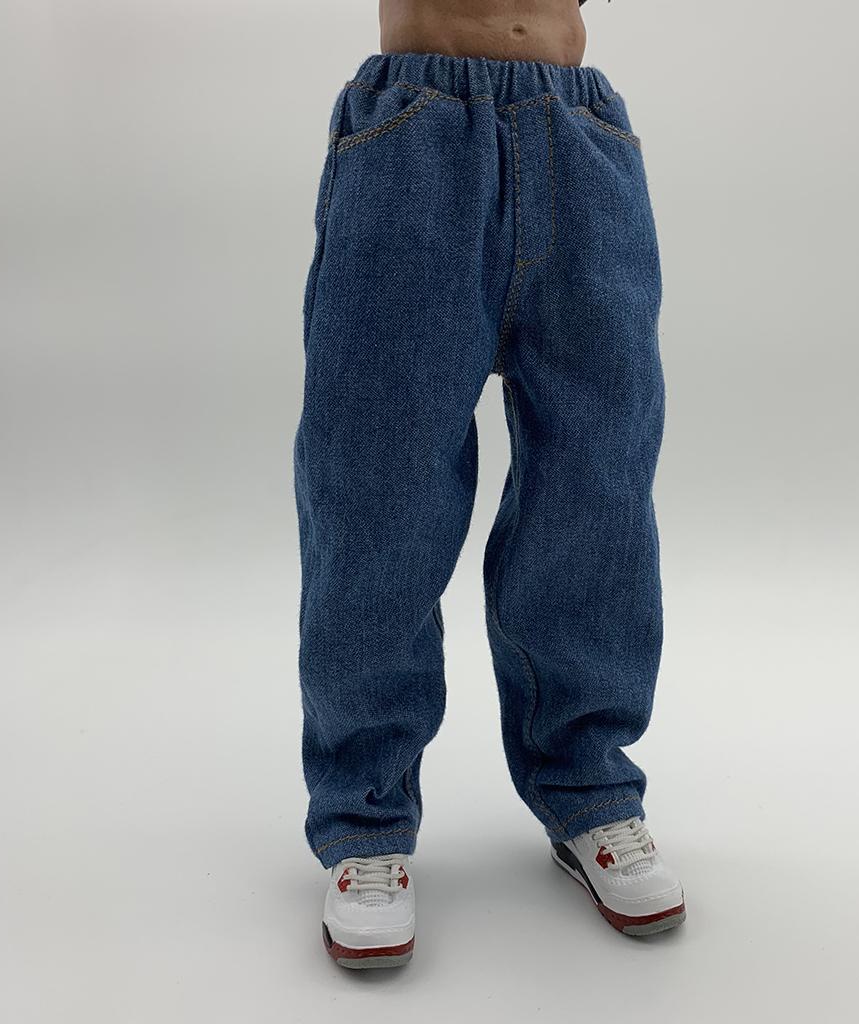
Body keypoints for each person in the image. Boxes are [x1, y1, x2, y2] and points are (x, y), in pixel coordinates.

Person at [294, 0, 685, 969]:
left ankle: (588, 785)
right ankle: (365, 816)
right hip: (416, 132)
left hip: (581, 131)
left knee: (597, 480)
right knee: (377, 486)